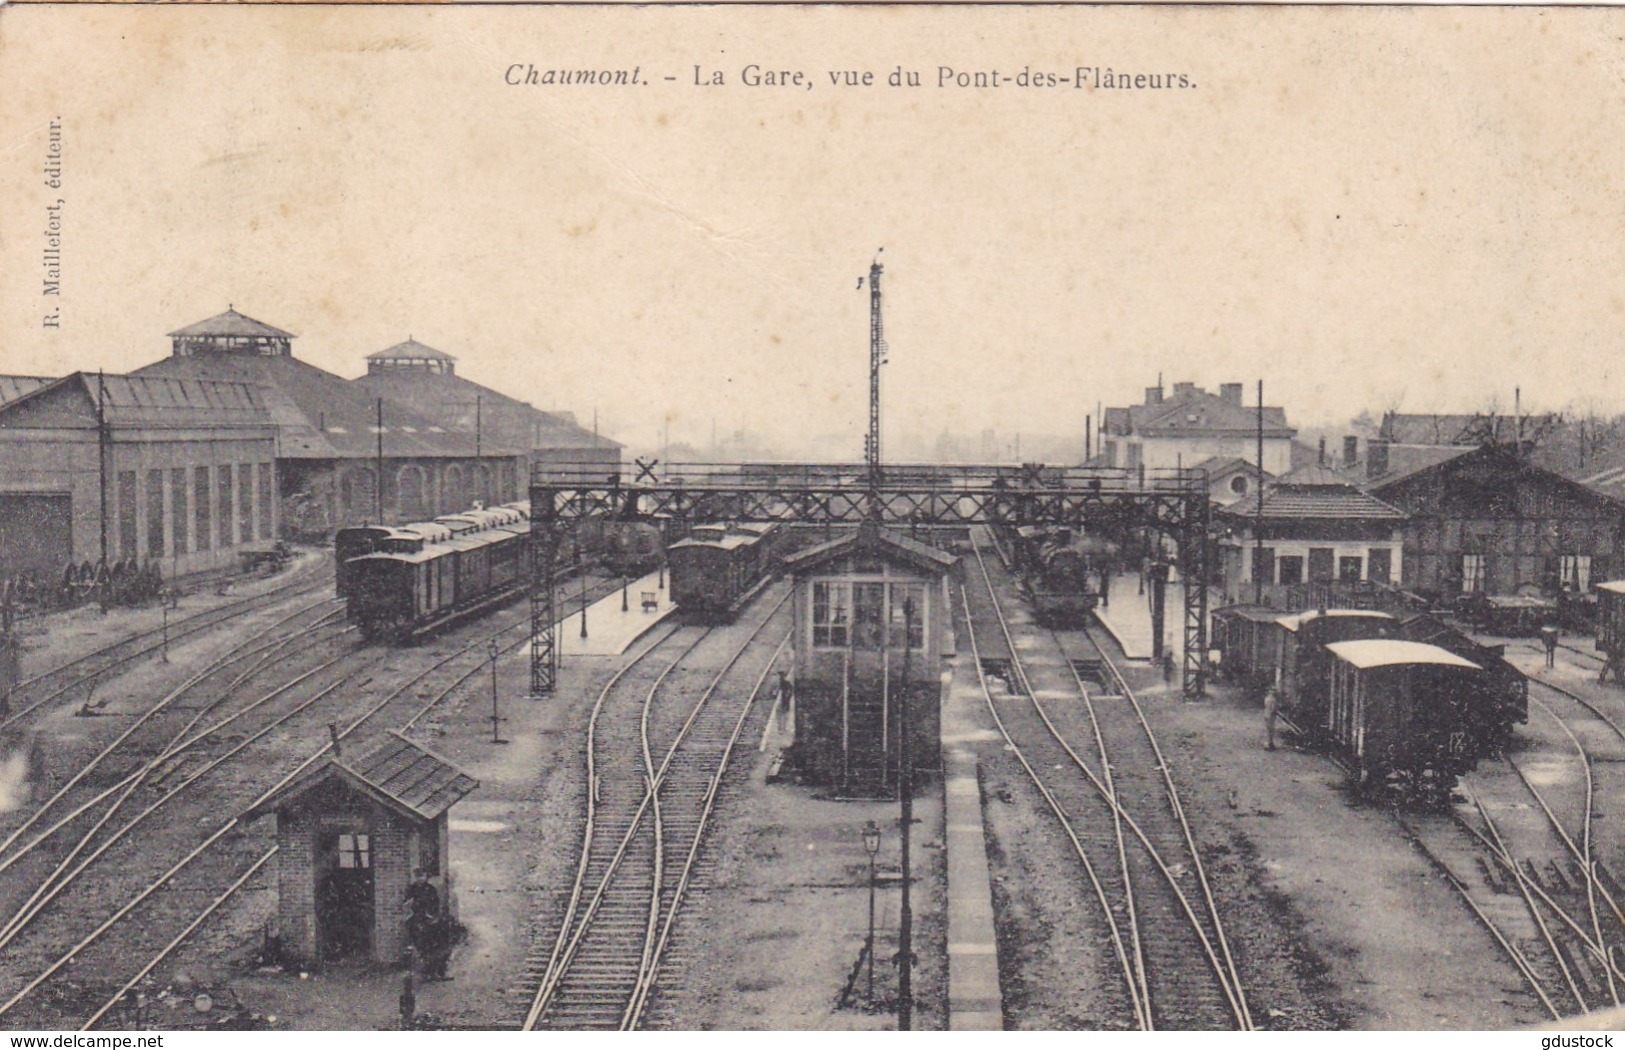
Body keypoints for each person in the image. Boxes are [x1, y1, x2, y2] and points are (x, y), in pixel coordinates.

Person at [405, 869, 441, 975]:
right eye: (418, 876)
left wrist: (432, 915)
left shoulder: (431, 889)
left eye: (422, 876)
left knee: (431, 940)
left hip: (428, 917)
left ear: (426, 877)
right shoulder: (412, 889)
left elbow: (436, 903)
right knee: (413, 931)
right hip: (416, 915)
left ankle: (432, 968)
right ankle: (419, 953)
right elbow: (407, 902)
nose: (420, 879)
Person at [1263, 682, 1280, 751]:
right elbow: (1273, 709)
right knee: (1271, 730)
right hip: (1270, 715)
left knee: (1269, 729)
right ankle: (1269, 743)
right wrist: (1276, 711)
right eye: (1272, 690)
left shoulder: (1267, 698)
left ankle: (1270, 743)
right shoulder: (1272, 700)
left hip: (1266, 714)